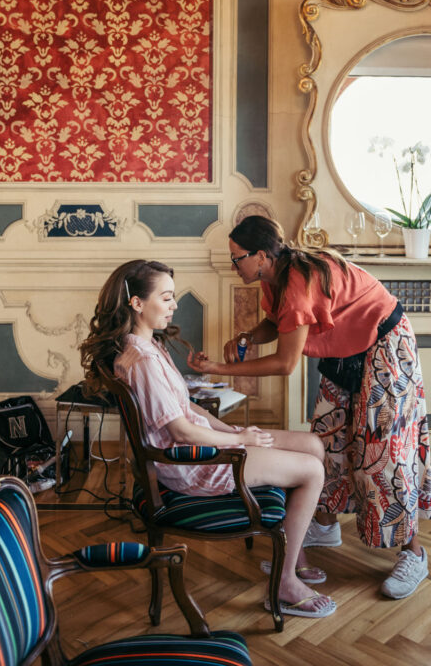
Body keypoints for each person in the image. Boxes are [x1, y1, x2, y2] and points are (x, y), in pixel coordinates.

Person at [189, 215, 431, 600]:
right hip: (349, 349)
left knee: (386, 450)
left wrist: (221, 369)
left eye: (237, 258)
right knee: (329, 437)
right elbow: (279, 322)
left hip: (385, 345)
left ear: (262, 255)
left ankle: (414, 552)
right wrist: (248, 336)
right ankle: (323, 523)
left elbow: (285, 364)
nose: (233, 265)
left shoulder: (298, 284)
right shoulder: (278, 277)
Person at [80, 258, 336, 619]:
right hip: (192, 465)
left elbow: (189, 409)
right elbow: (180, 431)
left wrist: (233, 431)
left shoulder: (149, 347)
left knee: (313, 445)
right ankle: (285, 583)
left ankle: (291, 551)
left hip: (200, 447)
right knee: (312, 470)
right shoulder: (142, 360)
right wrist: (237, 443)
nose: (174, 305)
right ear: (137, 304)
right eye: (166, 298)